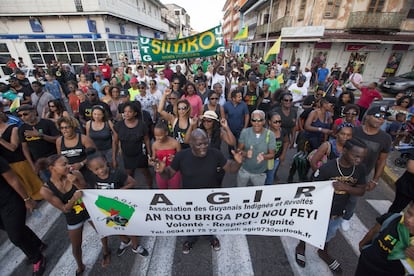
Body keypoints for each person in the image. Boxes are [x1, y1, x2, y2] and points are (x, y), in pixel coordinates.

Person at [154, 128, 243, 254]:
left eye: (206, 143)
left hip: (211, 199)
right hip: (190, 200)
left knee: (209, 220)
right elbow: (168, 175)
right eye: (199, 144)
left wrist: (238, 163)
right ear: (191, 143)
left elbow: (230, 168)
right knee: (192, 221)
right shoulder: (181, 156)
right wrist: (162, 171)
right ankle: (191, 239)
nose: (204, 147)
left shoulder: (215, 153)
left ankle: (210, 237)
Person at [295, 138, 367, 273]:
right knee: (307, 230)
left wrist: (346, 187)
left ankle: (323, 251)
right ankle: (301, 245)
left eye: (362, 157)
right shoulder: (327, 168)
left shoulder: (360, 169)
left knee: (329, 234)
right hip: (319, 211)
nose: (359, 160)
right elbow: (312, 190)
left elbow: (362, 190)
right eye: (355, 156)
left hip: (338, 212)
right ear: (344, 151)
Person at [86, 152, 148, 265]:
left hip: (121, 205)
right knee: (114, 226)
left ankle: (135, 246)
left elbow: (133, 182)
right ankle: (125, 241)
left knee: (130, 227)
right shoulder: (92, 178)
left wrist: (118, 192)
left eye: (102, 166)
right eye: (96, 169)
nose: (101, 170)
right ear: (90, 169)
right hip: (106, 207)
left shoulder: (117, 173)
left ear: (106, 162)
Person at [38, 155, 90, 275]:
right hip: (73, 217)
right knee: (76, 246)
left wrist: (76, 182)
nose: (69, 166)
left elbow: (87, 191)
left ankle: (106, 252)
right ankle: (80, 266)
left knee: (102, 231)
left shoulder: (75, 173)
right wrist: (73, 199)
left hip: (88, 210)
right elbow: (64, 209)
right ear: (52, 168)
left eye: (68, 163)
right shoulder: (45, 190)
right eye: (64, 165)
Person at [0, 156, 46, 276]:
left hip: (10, 201)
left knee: (15, 236)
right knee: (12, 227)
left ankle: (37, 258)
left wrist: (27, 199)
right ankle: (37, 244)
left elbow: (13, 179)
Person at [356, 200, 414, 275]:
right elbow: (374, 231)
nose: (409, 220)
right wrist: (363, 246)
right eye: (409, 213)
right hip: (365, 265)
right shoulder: (393, 218)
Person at [112, 102, 153, 189]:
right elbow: (115, 142)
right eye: (125, 111)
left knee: (145, 172)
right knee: (129, 174)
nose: (127, 113)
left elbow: (147, 140)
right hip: (127, 154)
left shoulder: (142, 125)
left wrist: (150, 154)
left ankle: (150, 188)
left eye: (130, 112)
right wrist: (114, 158)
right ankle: (131, 191)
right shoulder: (118, 125)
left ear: (135, 113)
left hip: (140, 153)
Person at [237, 110, 276, 186]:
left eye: (260, 120)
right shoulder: (245, 132)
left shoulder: (270, 135)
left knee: (257, 194)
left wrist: (263, 157)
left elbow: (272, 155)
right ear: (251, 121)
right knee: (240, 192)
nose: (256, 123)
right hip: (244, 170)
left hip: (260, 173)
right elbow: (239, 150)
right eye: (254, 120)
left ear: (264, 121)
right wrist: (245, 154)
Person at [17, 105, 60, 174]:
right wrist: (32, 165)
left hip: (53, 158)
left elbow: (58, 140)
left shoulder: (47, 123)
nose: (23, 117)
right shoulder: (22, 129)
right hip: (39, 162)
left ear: (34, 112)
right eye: (20, 115)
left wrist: (40, 135)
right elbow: (25, 148)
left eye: (25, 114)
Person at [150, 121, 181, 189]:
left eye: (160, 135)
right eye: (156, 136)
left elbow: (181, 159)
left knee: (175, 190)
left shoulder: (175, 143)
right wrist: (152, 161)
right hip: (161, 171)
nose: (158, 138)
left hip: (174, 170)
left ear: (166, 133)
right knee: (162, 190)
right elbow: (154, 158)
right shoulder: (155, 145)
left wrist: (175, 158)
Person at [265, 112, 289, 185]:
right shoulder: (264, 133)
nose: (278, 124)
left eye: (279, 122)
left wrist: (283, 154)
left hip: (275, 159)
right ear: (269, 122)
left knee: (270, 176)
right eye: (275, 122)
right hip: (264, 159)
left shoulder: (283, 131)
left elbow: (286, 141)